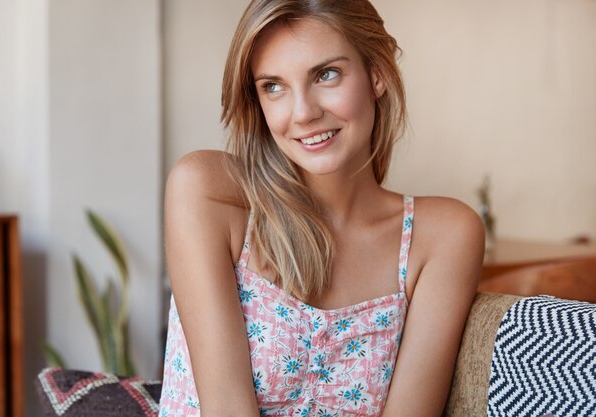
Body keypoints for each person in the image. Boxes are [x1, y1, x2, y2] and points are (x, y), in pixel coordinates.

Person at [159, 0, 485, 416]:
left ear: (377, 74)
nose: (303, 113)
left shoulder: (441, 236)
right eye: (272, 86)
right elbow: (224, 406)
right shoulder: (210, 193)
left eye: (326, 74)